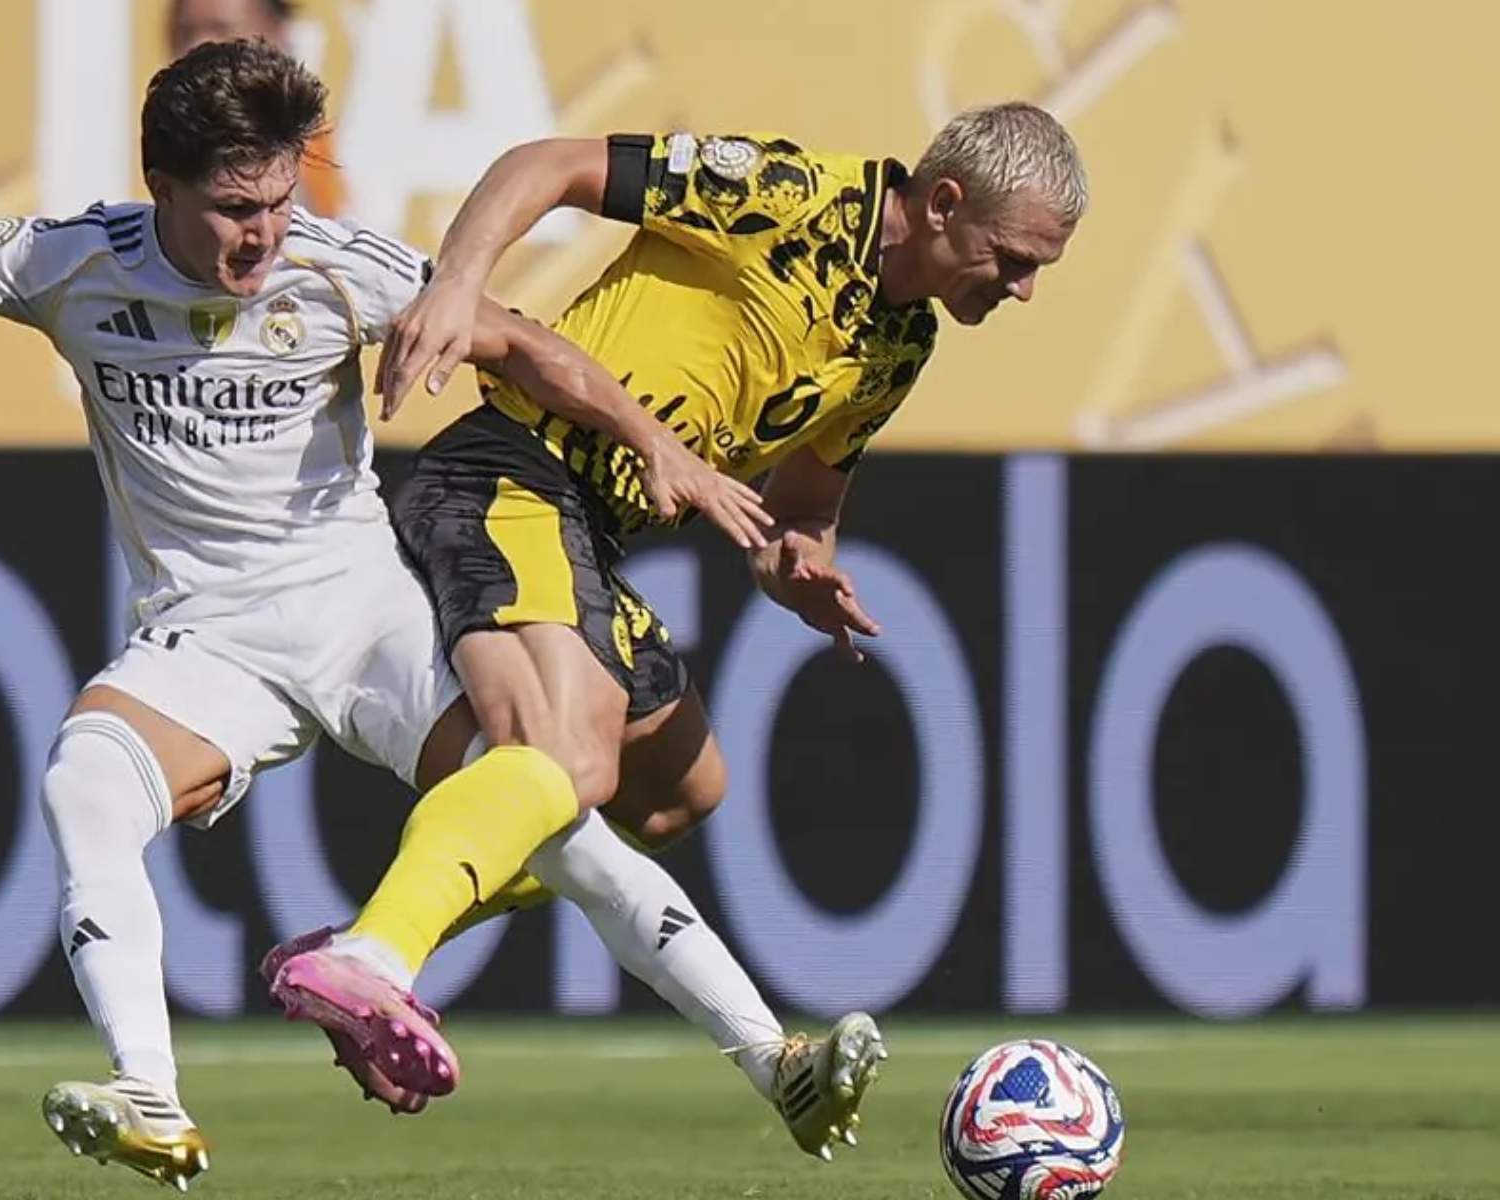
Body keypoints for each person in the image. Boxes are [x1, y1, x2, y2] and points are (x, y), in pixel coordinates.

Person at [0, 37, 841, 1190]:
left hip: (360, 607)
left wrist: (654, 447)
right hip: (204, 635)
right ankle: (150, 1099)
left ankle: (773, 1056)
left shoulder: (336, 266)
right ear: (162, 189)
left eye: (279, 202)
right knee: (80, 787)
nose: (263, 235)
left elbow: (527, 346)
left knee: (548, 806)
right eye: (235, 208)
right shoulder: (69, 260)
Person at [271, 104, 1087, 1150]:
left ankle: (373, 931)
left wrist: (799, 565)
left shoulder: (898, 345)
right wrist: (457, 287)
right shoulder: (790, 196)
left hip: (588, 534)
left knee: (676, 795)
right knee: (562, 759)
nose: (1020, 287)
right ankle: (376, 955)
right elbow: (548, 163)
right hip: (512, 470)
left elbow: (802, 508)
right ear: (940, 205)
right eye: (1013, 258)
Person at [167, 0, 345, 216]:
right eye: (184, 32)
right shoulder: (165, 139)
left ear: (276, 34)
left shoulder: (316, 143)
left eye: (220, 28)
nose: (196, 46)